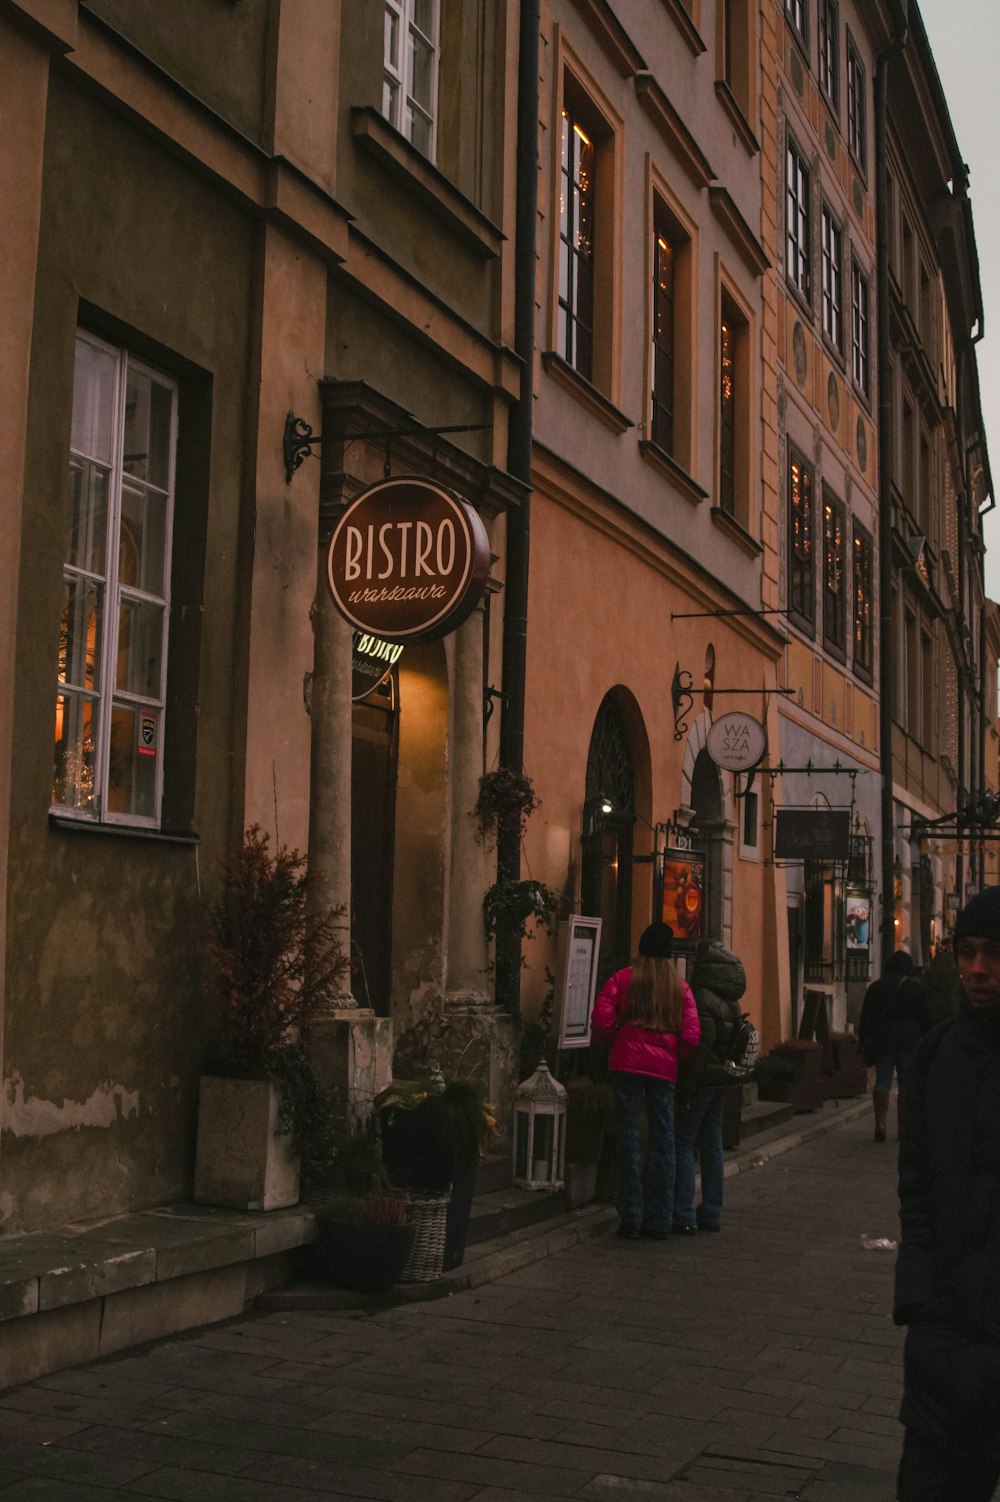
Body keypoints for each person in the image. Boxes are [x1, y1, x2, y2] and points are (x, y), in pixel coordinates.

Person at [893, 886, 1000, 1501]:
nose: (977, 969)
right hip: (945, 1336)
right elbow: (916, 1190)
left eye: (992, 954)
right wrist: (923, 1300)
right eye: (967, 953)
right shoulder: (935, 1057)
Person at [590, 921, 700, 1239]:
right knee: (663, 1141)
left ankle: (632, 1216)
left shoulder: (624, 978)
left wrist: (615, 1040)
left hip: (626, 1064)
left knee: (630, 1139)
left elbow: (601, 1018)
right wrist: (673, 1052)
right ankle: (661, 1220)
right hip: (663, 1070)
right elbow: (692, 1035)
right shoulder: (679, 988)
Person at [673, 936, 747, 1235]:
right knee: (712, 1143)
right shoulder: (731, 999)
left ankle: (682, 1211)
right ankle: (712, 1210)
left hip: (703, 1081)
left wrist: (686, 1090)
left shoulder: (703, 997)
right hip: (721, 1081)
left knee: (683, 1142)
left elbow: (699, 1051)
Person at [858, 950, 931, 1141]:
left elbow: (867, 1018)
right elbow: (925, 1019)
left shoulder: (876, 988)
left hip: (884, 1040)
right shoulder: (917, 988)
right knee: (907, 1083)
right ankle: (904, 1129)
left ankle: (880, 1124)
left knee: (883, 1080)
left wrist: (863, 1041)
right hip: (909, 1040)